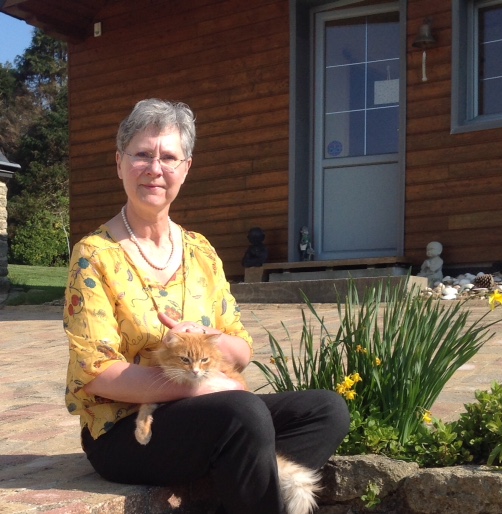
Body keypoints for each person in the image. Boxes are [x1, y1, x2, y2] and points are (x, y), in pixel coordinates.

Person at [64, 99, 350, 514]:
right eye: (142, 154)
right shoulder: (94, 255)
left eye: (168, 157)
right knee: (242, 412)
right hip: (126, 431)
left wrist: (200, 338)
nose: (154, 168)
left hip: (210, 415)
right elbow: (97, 373)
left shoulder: (201, 250)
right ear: (120, 163)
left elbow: (240, 348)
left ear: (186, 167)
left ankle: (240, 490)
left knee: (326, 410)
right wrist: (195, 385)